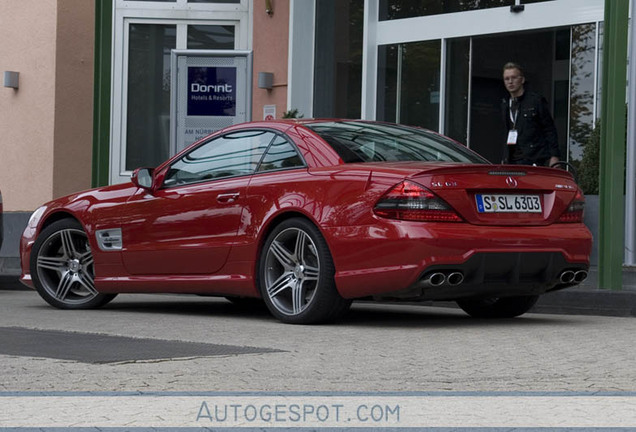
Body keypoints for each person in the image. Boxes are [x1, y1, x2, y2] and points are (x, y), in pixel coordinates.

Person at [500, 62, 560, 167]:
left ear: (522, 80)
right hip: (513, 160)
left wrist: (554, 156)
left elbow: (549, 129)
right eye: (507, 79)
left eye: (514, 78)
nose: (510, 82)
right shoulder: (505, 103)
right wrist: (505, 157)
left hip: (535, 158)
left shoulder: (536, 101)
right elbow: (506, 131)